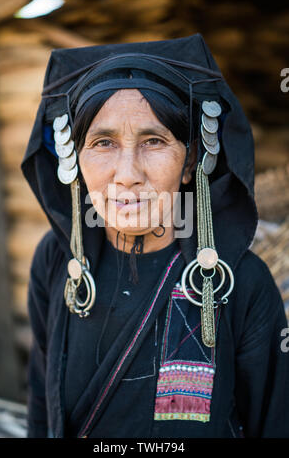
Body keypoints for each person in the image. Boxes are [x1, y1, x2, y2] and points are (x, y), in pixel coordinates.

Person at [22, 34, 289, 438]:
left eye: (153, 141)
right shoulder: (57, 263)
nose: (127, 174)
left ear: (189, 163)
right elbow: (43, 410)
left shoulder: (243, 284)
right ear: (75, 161)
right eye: (103, 143)